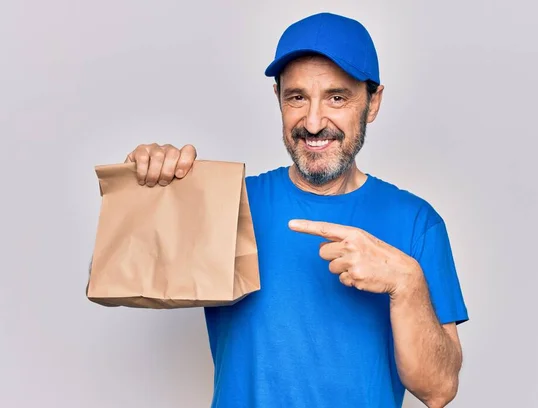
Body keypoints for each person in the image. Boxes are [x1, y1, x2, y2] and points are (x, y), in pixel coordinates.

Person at [124, 12, 469, 408]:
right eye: (297, 97)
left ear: (372, 103)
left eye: (337, 97)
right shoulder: (231, 205)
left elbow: (440, 390)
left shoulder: (416, 223)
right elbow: (126, 272)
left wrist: (406, 284)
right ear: (278, 99)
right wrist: (148, 191)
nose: (314, 121)